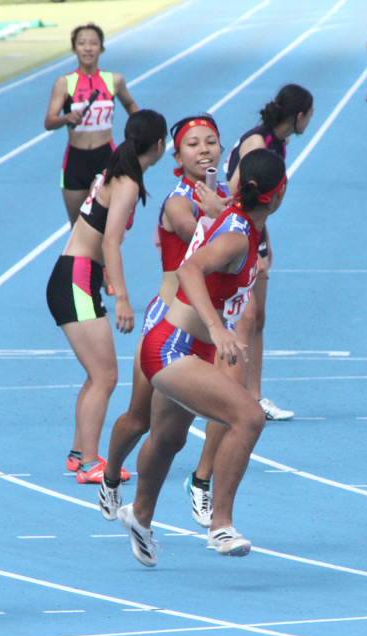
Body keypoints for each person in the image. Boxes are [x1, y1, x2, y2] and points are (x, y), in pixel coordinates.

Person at [117, 149, 287, 567]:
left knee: (169, 439)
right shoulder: (236, 234)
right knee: (248, 417)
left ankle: (138, 516)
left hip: (184, 346)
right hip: (173, 345)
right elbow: (190, 270)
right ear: (278, 197)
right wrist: (216, 327)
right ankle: (220, 525)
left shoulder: (239, 219)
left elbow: (230, 214)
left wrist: (222, 206)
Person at [99, 114, 229, 523]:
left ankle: (171, 499)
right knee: (139, 418)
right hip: (168, 323)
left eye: (211, 141)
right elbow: (199, 235)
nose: (203, 149)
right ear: (176, 154)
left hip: (207, 327)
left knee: (172, 435)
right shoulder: (178, 201)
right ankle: (109, 476)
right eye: (193, 144)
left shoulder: (226, 196)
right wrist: (226, 216)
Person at [45, 109, 167, 483]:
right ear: (160, 145)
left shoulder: (116, 172)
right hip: (77, 277)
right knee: (105, 377)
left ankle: (79, 453)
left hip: (77, 274)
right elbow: (111, 240)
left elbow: (95, 234)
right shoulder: (127, 182)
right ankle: (88, 464)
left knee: (96, 375)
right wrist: (123, 298)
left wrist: (105, 279)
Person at [224, 83, 313, 422]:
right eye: (310, 116)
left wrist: (265, 239)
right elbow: (238, 193)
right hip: (238, 230)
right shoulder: (257, 143)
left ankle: (255, 396)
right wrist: (252, 243)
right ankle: (235, 397)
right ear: (299, 115)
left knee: (258, 317)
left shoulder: (279, 142)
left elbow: (264, 198)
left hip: (255, 230)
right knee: (244, 318)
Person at [44, 23, 139, 224]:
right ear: (74, 49)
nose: (88, 48)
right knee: (78, 228)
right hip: (75, 162)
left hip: (106, 158)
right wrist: (66, 118)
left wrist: (136, 136)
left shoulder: (114, 80)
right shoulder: (64, 83)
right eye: (82, 43)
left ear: (101, 48)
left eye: (93, 43)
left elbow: (130, 105)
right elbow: (49, 122)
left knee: (106, 227)